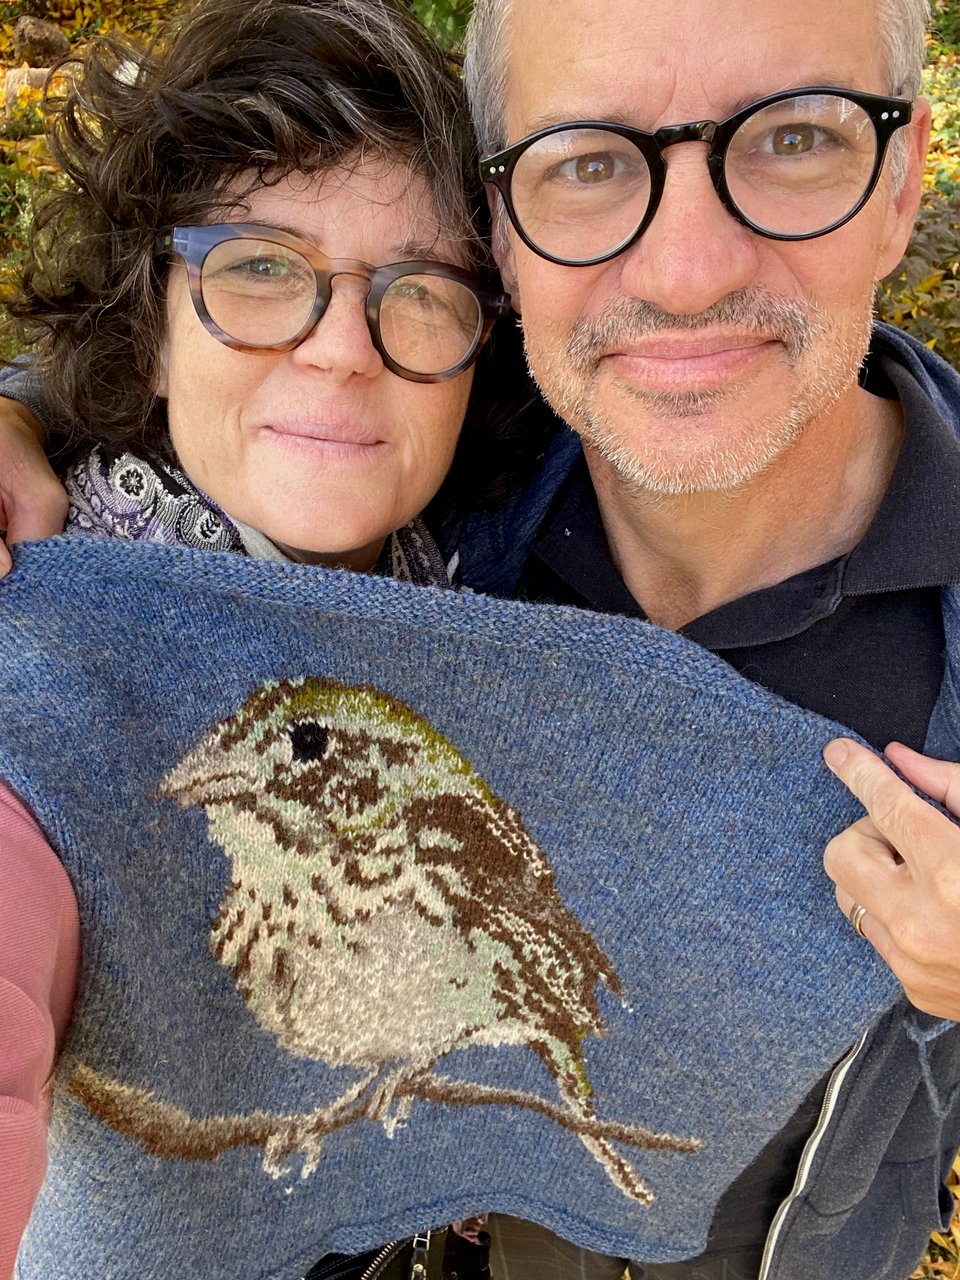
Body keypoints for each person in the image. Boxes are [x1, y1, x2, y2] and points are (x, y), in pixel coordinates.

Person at [3, 2, 960, 1280]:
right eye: (589, 160)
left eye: (795, 137)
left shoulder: (447, 499)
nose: (685, 271)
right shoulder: (93, 638)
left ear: (902, 181)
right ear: (512, 237)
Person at [0, 0, 513, 1274]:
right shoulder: (48, 650)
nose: (342, 349)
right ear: (150, 334)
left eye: (419, 289)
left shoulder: (476, 599)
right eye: (261, 268)